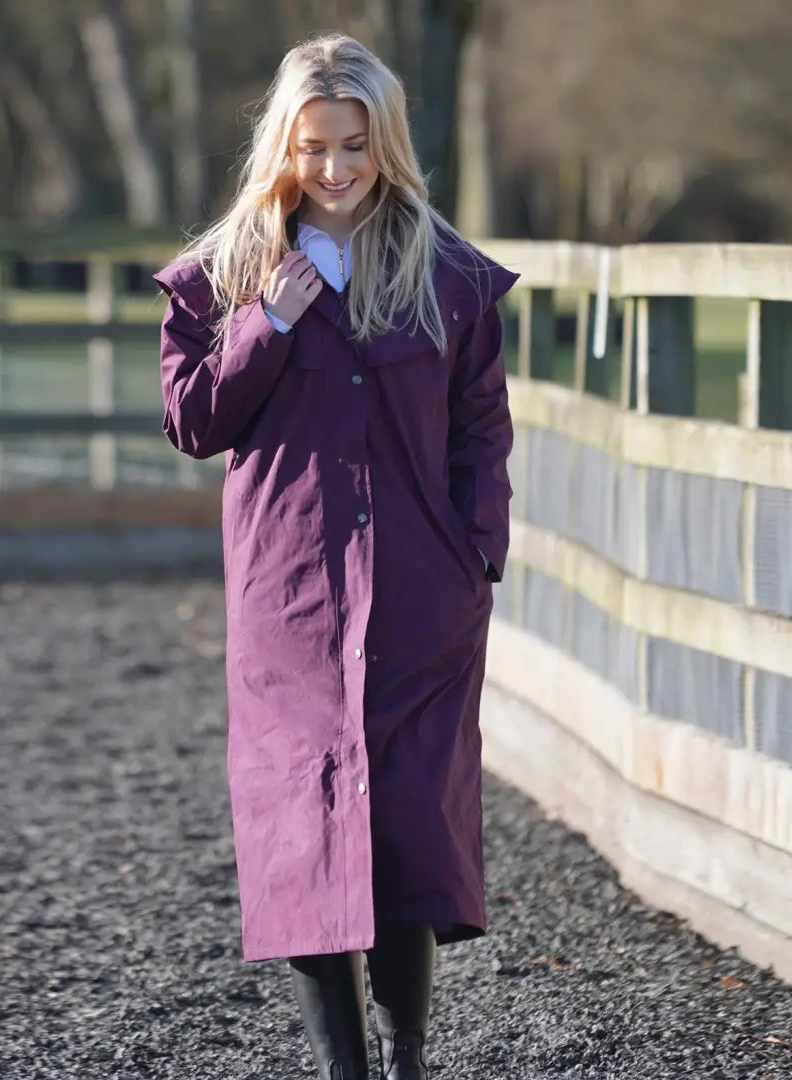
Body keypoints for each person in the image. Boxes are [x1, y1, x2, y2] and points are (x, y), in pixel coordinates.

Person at [154, 32, 518, 1080]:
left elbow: (479, 423)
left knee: (404, 825)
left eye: (355, 144)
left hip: (419, 593)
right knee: (303, 830)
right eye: (315, 146)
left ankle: (407, 1059)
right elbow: (193, 421)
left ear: (386, 141)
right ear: (283, 145)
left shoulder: (445, 274)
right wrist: (268, 318)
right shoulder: (222, 277)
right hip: (292, 597)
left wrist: (477, 547)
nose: (337, 168)